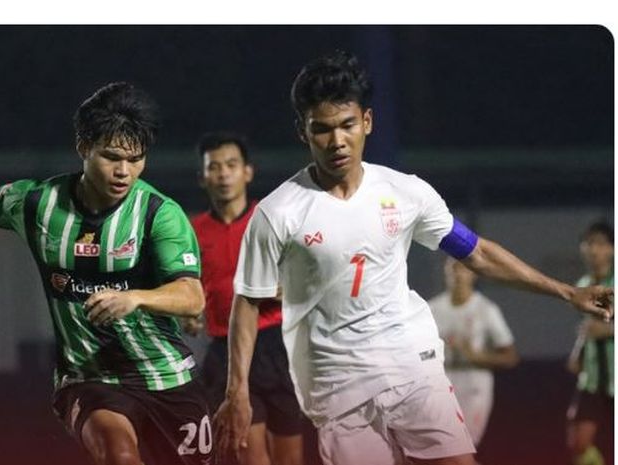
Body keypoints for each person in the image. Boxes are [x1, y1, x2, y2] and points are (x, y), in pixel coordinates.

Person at [212, 51, 614, 465]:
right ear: (303, 132)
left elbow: (475, 252)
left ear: (367, 121)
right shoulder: (278, 213)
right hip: (333, 383)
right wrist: (236, 391)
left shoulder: (406, 192)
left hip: (409, 363)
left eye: (348, 125)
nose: (337, 141)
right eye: (323, 129)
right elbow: (248, 300)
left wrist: (566, 292)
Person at [0, 82, 214, 465]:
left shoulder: (159, 214)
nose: (124, 172)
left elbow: (192, 296)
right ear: (83, 148)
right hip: (90, 378)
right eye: (111, 157)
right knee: (120, 456)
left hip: (167, 375)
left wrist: (135, 297)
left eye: (136, 159)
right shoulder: (36, 204)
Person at [188, 131, 304, 465]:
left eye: (231, 165)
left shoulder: (270, 221)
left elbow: (299, 280)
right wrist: (189, 314)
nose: (223, 174)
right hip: (226, 351)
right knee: (249, 456)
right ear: (202, 177)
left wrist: (281, 289)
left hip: (277, 346)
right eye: (214, 167)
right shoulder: (192, 232)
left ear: (247, 172)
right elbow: (189, 288)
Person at [429, 257, 519, 448]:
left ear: (473, 274)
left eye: (463, 269)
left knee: (464, 445)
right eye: (452, 269)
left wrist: (477, 356)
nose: (457, 275)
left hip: (474, 382)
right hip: (441, 380)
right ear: (445, 273)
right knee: (439, 447)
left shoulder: (486, 309)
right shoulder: (432, 309)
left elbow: (510, 357)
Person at [566, 221, 614, 465]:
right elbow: (588, 329)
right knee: (579, 442)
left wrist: (607, 330)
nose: (594, 249)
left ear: (613, 249)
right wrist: (578, 354)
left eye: (601, 244)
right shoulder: (584, 284)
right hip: (593, 377)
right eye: (589, 243)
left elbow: (599, 328)